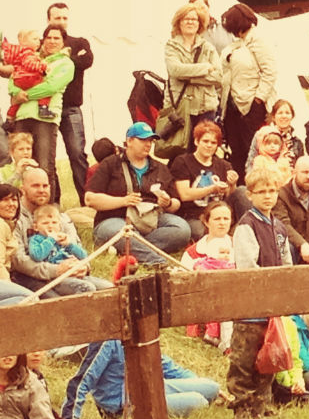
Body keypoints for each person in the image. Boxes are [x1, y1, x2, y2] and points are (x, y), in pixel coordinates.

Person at [227, 164, 291, 419]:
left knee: (267, 361)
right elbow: (247, 267)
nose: (268, 196)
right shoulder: (247, 225)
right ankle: (242, 408)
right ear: (250, 195)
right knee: (244, 362)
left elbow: (287, 264)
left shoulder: (279, 228)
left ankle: (261, 407)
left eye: (273, 190)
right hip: (250, 309)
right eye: (262, 191)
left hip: (272, 307)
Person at [85, 122, 191, 264]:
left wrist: (168, 202)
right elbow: (90, 199)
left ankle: (128, 249)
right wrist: (122, 201)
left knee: (182, 229)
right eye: (143, 140)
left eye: (150, 141)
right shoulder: (110, 164)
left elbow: (176, 203)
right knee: (119, 231)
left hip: (151, 220)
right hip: (115, 219)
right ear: (129, 141)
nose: (148, 145)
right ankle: (156, 261)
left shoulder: (161, 168)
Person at [61, 340, 220, 419]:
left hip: (152, 387)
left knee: (212, 388)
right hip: (123, 403)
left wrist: (197, 382)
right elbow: (83, 379)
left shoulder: (142, 331)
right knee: (199, 402)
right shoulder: (106, 341)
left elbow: (165, 365)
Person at [10, 167, 110, 296]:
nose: (41, 190)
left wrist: (84, 267)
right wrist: (56, 270)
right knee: (67, 299)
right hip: (30, 277)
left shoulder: (61, 218)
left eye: (45, 186)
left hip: (69, 274)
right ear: (22, 189)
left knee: (109, 289)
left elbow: (77, 247)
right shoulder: (16, 220)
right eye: (35, 186)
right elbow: (19, 261)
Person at [8, 25, 73, 205]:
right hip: (22, 117)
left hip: (45, 119)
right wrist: (15, 93)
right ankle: (21, 212)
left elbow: (51, 87)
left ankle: (46, 214)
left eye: (56, 38)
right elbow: (14, 79)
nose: (52, 41)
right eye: (49, 38)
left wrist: (24, 95)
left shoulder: (66, 63)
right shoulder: (30, 57)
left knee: (44, 167)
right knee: (22, 167)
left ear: (63, 42)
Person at [220, 2, 276, 175]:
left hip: (251, 106)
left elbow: (270, 71)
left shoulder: (258, 41)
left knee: (252, 150)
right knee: (236, 149)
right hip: (231, 106)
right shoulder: (238, 43)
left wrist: (258, 100)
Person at [46, 3, 93, 205]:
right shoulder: (43, 43)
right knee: (47, 157)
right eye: (57, 18)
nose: (62, 22)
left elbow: (87, 60)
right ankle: (53, 202)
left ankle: (88, 201)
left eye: (65, 18)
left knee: (77, 154)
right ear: (49, 20)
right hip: (46, 109)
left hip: (71, 108)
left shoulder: (79, 42)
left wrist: (64, 60)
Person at [163, 2, 222, 152]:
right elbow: (175, 70)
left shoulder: (208, 48)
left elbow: (218, 77)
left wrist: (190, 77)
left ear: (200, 23)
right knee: (180, 151)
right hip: (180, 107)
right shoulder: (172, 46)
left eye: (194, 19)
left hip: (205, 108)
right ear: (179, 22)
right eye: (186, 19)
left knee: (205, 150)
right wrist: (205, 68)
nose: (190, 22)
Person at [170, 120, 241, 238]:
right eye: (205, 141)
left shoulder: (224, 165)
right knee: (202, 233)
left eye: (213, 143)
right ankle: (229, 233)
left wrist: (232, 184)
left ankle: (242, 228)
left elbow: (229, 195)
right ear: (196, 141)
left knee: (241, 191)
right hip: (195, 214)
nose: (209, 145)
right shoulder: (182, 162)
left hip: (221, 212)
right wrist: (212, 188)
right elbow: (185, 195)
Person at [180, 199, 236, 349]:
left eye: (226, 219)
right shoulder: (194, 252)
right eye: (217, 219)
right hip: (206, 300)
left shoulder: (238, 245)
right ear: (206, 222)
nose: (222, 223)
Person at [0, 353, 65, 419]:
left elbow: (43, 417)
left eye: (13, 351)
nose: (8, 356)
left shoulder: (30, 381)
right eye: (2, 352)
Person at [273, 155, 309, 265]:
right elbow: (283, 225)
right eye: (305, 172)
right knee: (286, 248)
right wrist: (302, 245)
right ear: (294, 172)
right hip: (293, 249)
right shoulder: (281, 195)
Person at [2, 30, 54, 124]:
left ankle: (9, 119)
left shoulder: (19, 53)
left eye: (38, 39)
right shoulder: (27, 52)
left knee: (17, 102)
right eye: (34, 39)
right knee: (45, 88)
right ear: (23, 42)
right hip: (28, 78)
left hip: (18, 80)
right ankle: (43, 108)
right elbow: (29, 64)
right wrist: (43, 66)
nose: (38, 41)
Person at [0, 183, 35, 306]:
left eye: (14, 200)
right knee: (30, 299)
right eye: (4, 200)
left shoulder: (9, 225)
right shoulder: (1, 225)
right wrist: (8, 284)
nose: (11, 204)